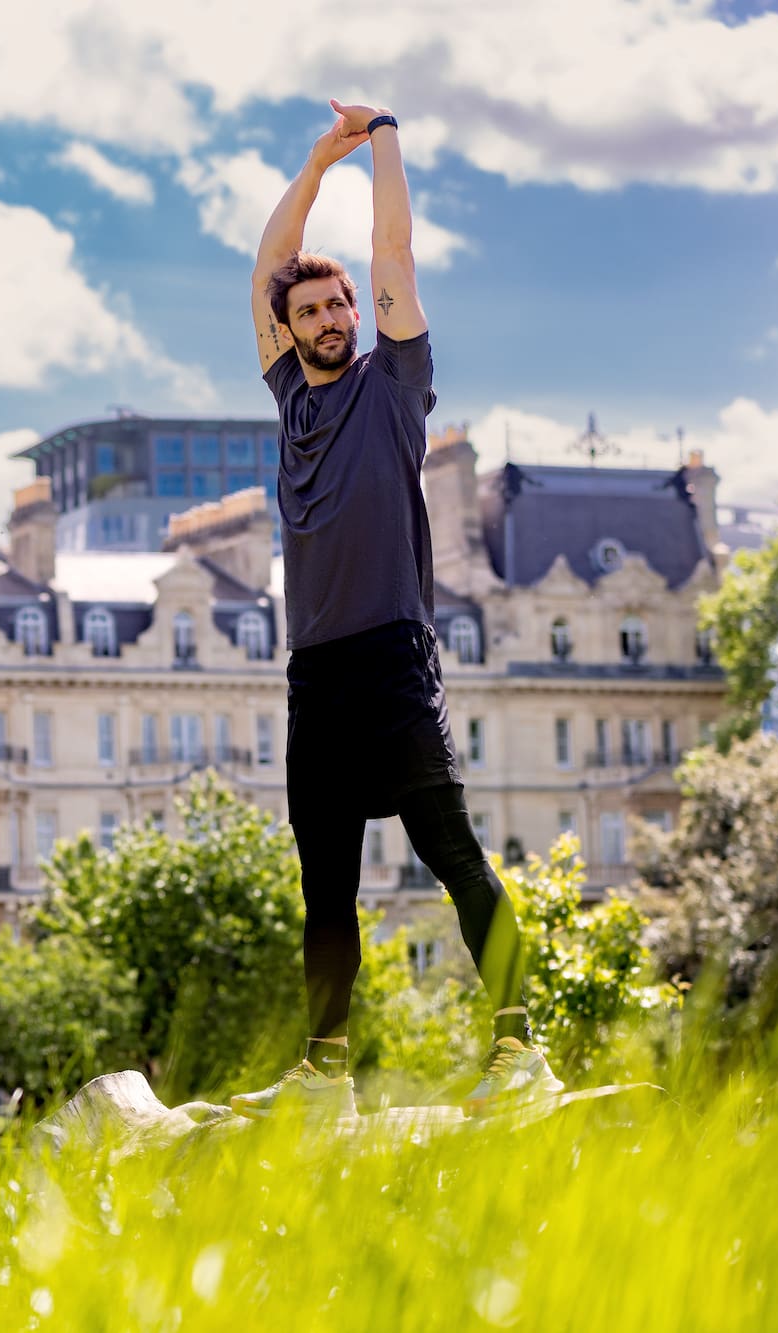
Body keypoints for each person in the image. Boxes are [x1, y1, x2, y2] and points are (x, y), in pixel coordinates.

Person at [229, 99, 563, 1120]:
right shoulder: (290, 397)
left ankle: (520, 1050)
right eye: (313, 311)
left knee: (452, 852)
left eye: (340, 307)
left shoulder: (393, 384)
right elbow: (264, 264)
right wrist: (312, 160)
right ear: (286, 332)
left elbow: (394, 253)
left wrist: (378, 140)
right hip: (314, 674)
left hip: (391, 661)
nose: (331, 319)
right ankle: (324, 1069)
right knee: (323, 885)